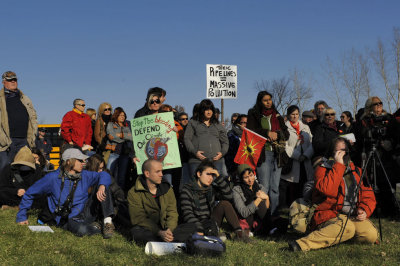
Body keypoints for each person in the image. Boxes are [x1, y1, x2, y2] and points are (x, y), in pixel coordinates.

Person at [289, 137, 378, 251]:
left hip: (351, 214)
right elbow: (327, 189)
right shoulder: (322, 169)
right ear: (332, 153)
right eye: (338, 151)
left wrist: (364, 210)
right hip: (328, 214)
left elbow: (368, 195)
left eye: (345, 151)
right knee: (348, 228)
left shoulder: (357, 171)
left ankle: (336, 236)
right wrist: (338, 166)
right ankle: (303, 244)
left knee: (371, 235)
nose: (342, 154)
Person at [16, 148, 115, 238]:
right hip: (69, 218)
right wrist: (21, 216)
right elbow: (30, 193)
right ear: (69, 162)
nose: (83, 163)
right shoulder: (52, 178)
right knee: (81, 231)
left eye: (84, 160)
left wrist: (101, 186)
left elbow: (104, 174)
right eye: (80, 160)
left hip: (85, 212)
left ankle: (107, 223)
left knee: (104, 185)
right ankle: (95, 227)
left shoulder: (85, 175)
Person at [127, 159, 196, 245]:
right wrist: (159, 232)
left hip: (166, 228)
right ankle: (170, 243)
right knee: (136, 232)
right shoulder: (134, 192)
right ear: (147, 174)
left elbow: (172, 212)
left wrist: (169, 230)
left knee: (192, 227)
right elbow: (138, 218)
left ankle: (164, 242)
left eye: (162, 171)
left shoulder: (167, 189)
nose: (161, 175)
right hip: (149, 230)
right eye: (157, 172)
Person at [180, 160, 249, 240]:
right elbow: (187, 214)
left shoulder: (211, 188)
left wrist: (218, 177)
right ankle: (215, 234)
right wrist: (199, 229)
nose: (211, 178)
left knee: (225, 204)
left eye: (213, 175)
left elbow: (229, 196)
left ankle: (239, 233)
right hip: (194, 225)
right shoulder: (187, 190)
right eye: (208, 174)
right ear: (199, 174)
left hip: (210, 222)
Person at [246, 91, 289, 217]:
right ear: (260, 101)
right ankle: (262, 216)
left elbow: (286, 133)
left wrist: (278, 134)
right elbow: (251, 130)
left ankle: (274, 215)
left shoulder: (277, 115)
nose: (268, 102)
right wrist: (267, 133)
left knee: (275, 188)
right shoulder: (253, 114)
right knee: (264, 187)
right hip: (263, 153)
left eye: (270, 99)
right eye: (265, 100)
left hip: (278, 154)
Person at [355, 96, 397, 217]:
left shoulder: (389, 118)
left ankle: (389, 209)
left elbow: (396, 134)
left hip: (386, 156)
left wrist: (391, 143)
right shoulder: (364, 120)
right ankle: (371, 208)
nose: (379, 106)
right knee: (370, 182)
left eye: (380, 103)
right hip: (370, 154)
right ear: (369, 107)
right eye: (375, 104)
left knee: (387, 181)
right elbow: (360, 137)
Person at [0, 71, 38, 177]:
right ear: (4, 82)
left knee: (25, 169)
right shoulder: (1, 98)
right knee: (5, 169)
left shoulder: (24, 98)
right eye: (9, 80)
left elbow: (33, 117)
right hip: (7, 142)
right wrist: (2, 139)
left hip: (24, 141)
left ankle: (22, 191)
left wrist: (32, 136)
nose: (13, 82)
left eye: (15, 79)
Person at [184, 99, 229, 180]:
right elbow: (187, 139)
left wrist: (222, 153)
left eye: (211, 109)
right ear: (201, 110)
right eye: (206, 109)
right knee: (197, 187)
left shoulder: (218, 124)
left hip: (216, 161)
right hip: (197, 161)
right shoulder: (193, 122)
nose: (209, 112)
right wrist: (195, 152)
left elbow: (225, 142)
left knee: (216, 187)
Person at [280, 106, 314, 207]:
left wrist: (307, 154)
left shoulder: (305, 127)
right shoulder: (285, 127)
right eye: (292, 114)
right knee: (293, 185)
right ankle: (292, 206)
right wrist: (297, 155)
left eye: (296, 114)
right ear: (288, 115)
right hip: (294, 160)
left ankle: (304, 205)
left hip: (306, 160)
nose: (295, 116)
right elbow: (285, 145)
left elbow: (312, 142)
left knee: (305, 182)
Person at [232, 164, 270, 235]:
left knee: (262, 203)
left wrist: (267, 198)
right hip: (247, 219)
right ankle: (267, 228)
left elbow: (266, 209)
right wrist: (257, 199)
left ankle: (266, 228)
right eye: (246, 177)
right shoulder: (236, 190)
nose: (250, 180)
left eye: (251, 175)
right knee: (260, 202)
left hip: (258, 218)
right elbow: (244, 213)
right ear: (241, 178)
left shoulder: (260, 187)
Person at [106, 108, 133, 190]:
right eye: (120, 115)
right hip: (114, 153)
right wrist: (124, 136)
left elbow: (131, 137)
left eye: (124, 115)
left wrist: (119, 135)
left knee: (121, 177)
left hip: (124, 154)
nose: (122, 117)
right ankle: (108, 193)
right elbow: (111, 136)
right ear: (116, 115)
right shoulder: (111, 124)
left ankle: (119, 195)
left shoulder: (125, 126)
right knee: (109, 174)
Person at [225, 114, 247, 178]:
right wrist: (232, 168)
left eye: (246, 123)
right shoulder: (231, 135)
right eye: (242, 122)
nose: (244, 125)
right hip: (236, 167)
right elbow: (230, 154)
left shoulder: (251, 135)